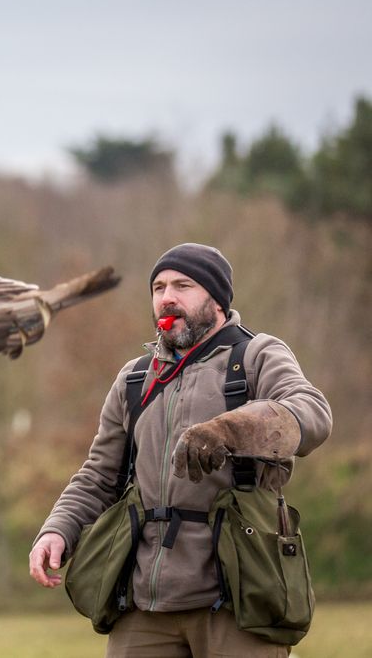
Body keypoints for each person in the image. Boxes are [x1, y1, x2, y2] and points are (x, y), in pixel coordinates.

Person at [28, 243, 332, 657]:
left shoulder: (256, 355)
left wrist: (230, 429)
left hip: (240, 599)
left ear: (218, 300)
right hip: (142, 605)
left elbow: (312, 414)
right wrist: (56, 530)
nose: (166, 297)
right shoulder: (135, 379)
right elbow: (99, 477)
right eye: (158, 287)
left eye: (183, 285)